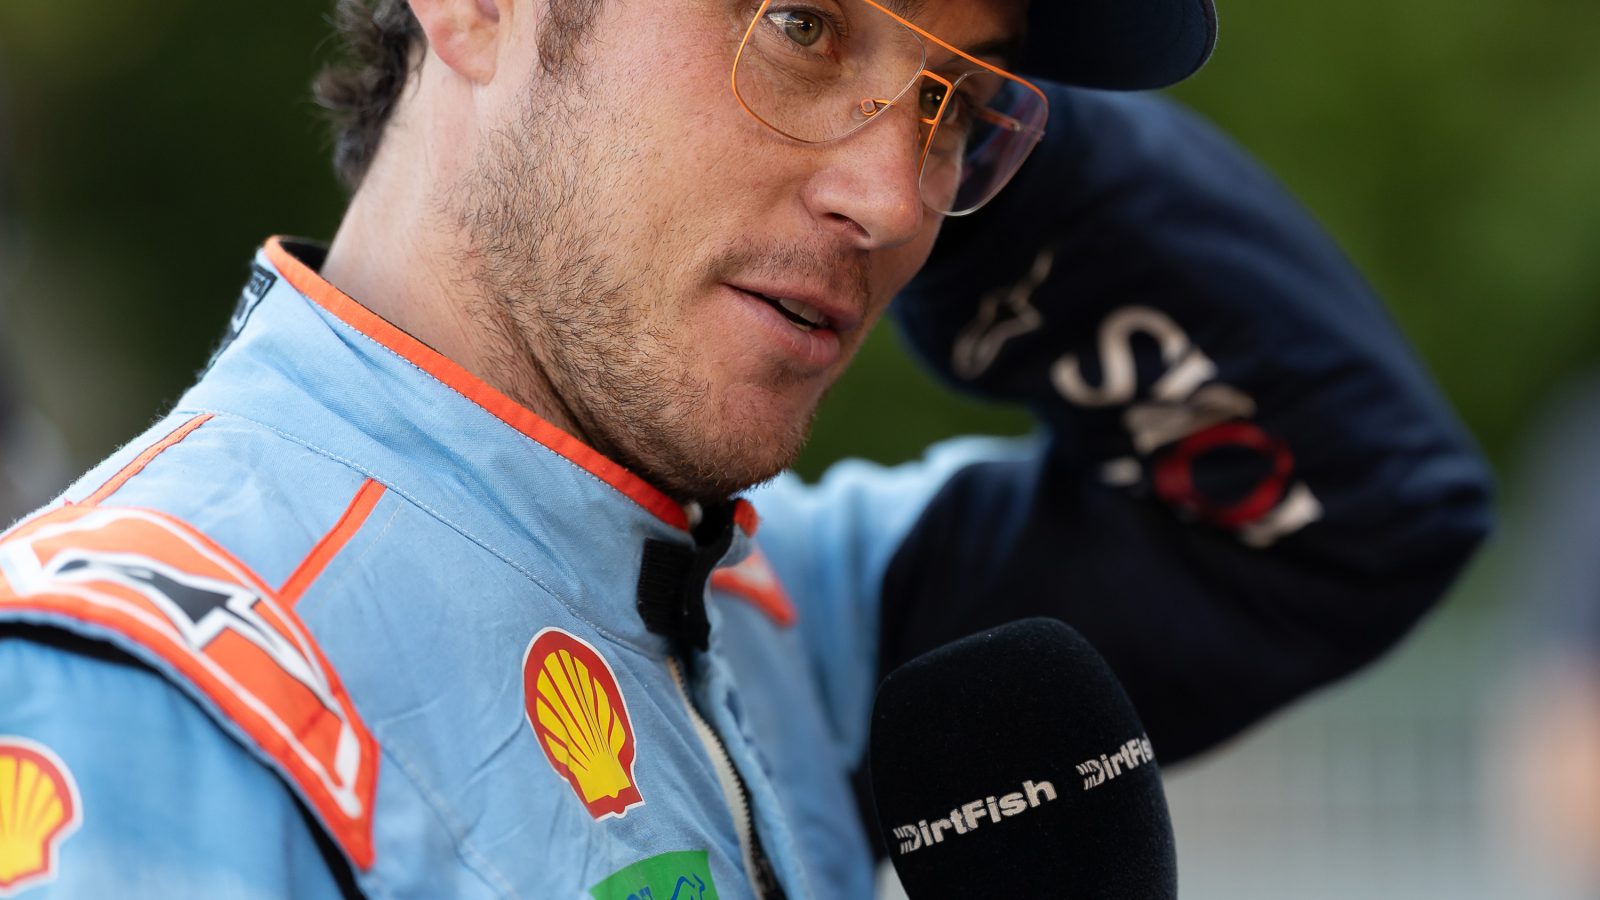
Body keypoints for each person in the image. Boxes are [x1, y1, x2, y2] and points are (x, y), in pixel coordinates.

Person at [0, 0, 1490, 896]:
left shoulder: (772, 615)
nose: (894, 201)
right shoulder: (126, 697)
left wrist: (985, 111)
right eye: (799, 22)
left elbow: (1356, 514)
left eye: (956, 104)